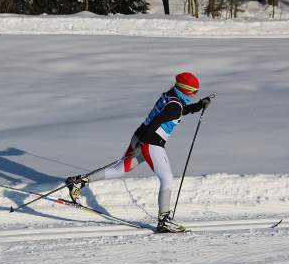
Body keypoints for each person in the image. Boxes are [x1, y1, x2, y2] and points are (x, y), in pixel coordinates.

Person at [65, 72, 211, 233]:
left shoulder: (171, 96)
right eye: (194, 91)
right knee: (167, 179)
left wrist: (198, 106)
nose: (195, 94)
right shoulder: (175, 106)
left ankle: (79, 181)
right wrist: (142, 146)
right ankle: (164, 221)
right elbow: (158, 121)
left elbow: (178, 109)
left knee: (121, 168)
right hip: (151, 143)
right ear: (185, 89)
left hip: (140, 136)